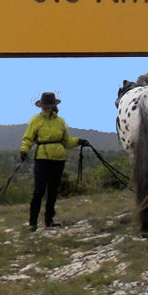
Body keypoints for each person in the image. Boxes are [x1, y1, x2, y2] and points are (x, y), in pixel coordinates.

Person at [19, 92, 88, 232]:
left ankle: (49, 220)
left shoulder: (60, 121)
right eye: (44, 106)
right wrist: (24, 150)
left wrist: (79, 141)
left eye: (49, 106)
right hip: (42, 158)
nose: (46, 108)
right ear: (41, 106)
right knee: (39, 190)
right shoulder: (36, 120)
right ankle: (32, 222)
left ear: (53, 106)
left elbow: (66, 142)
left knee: (52, 191)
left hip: (58, 159)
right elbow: (28, 138)